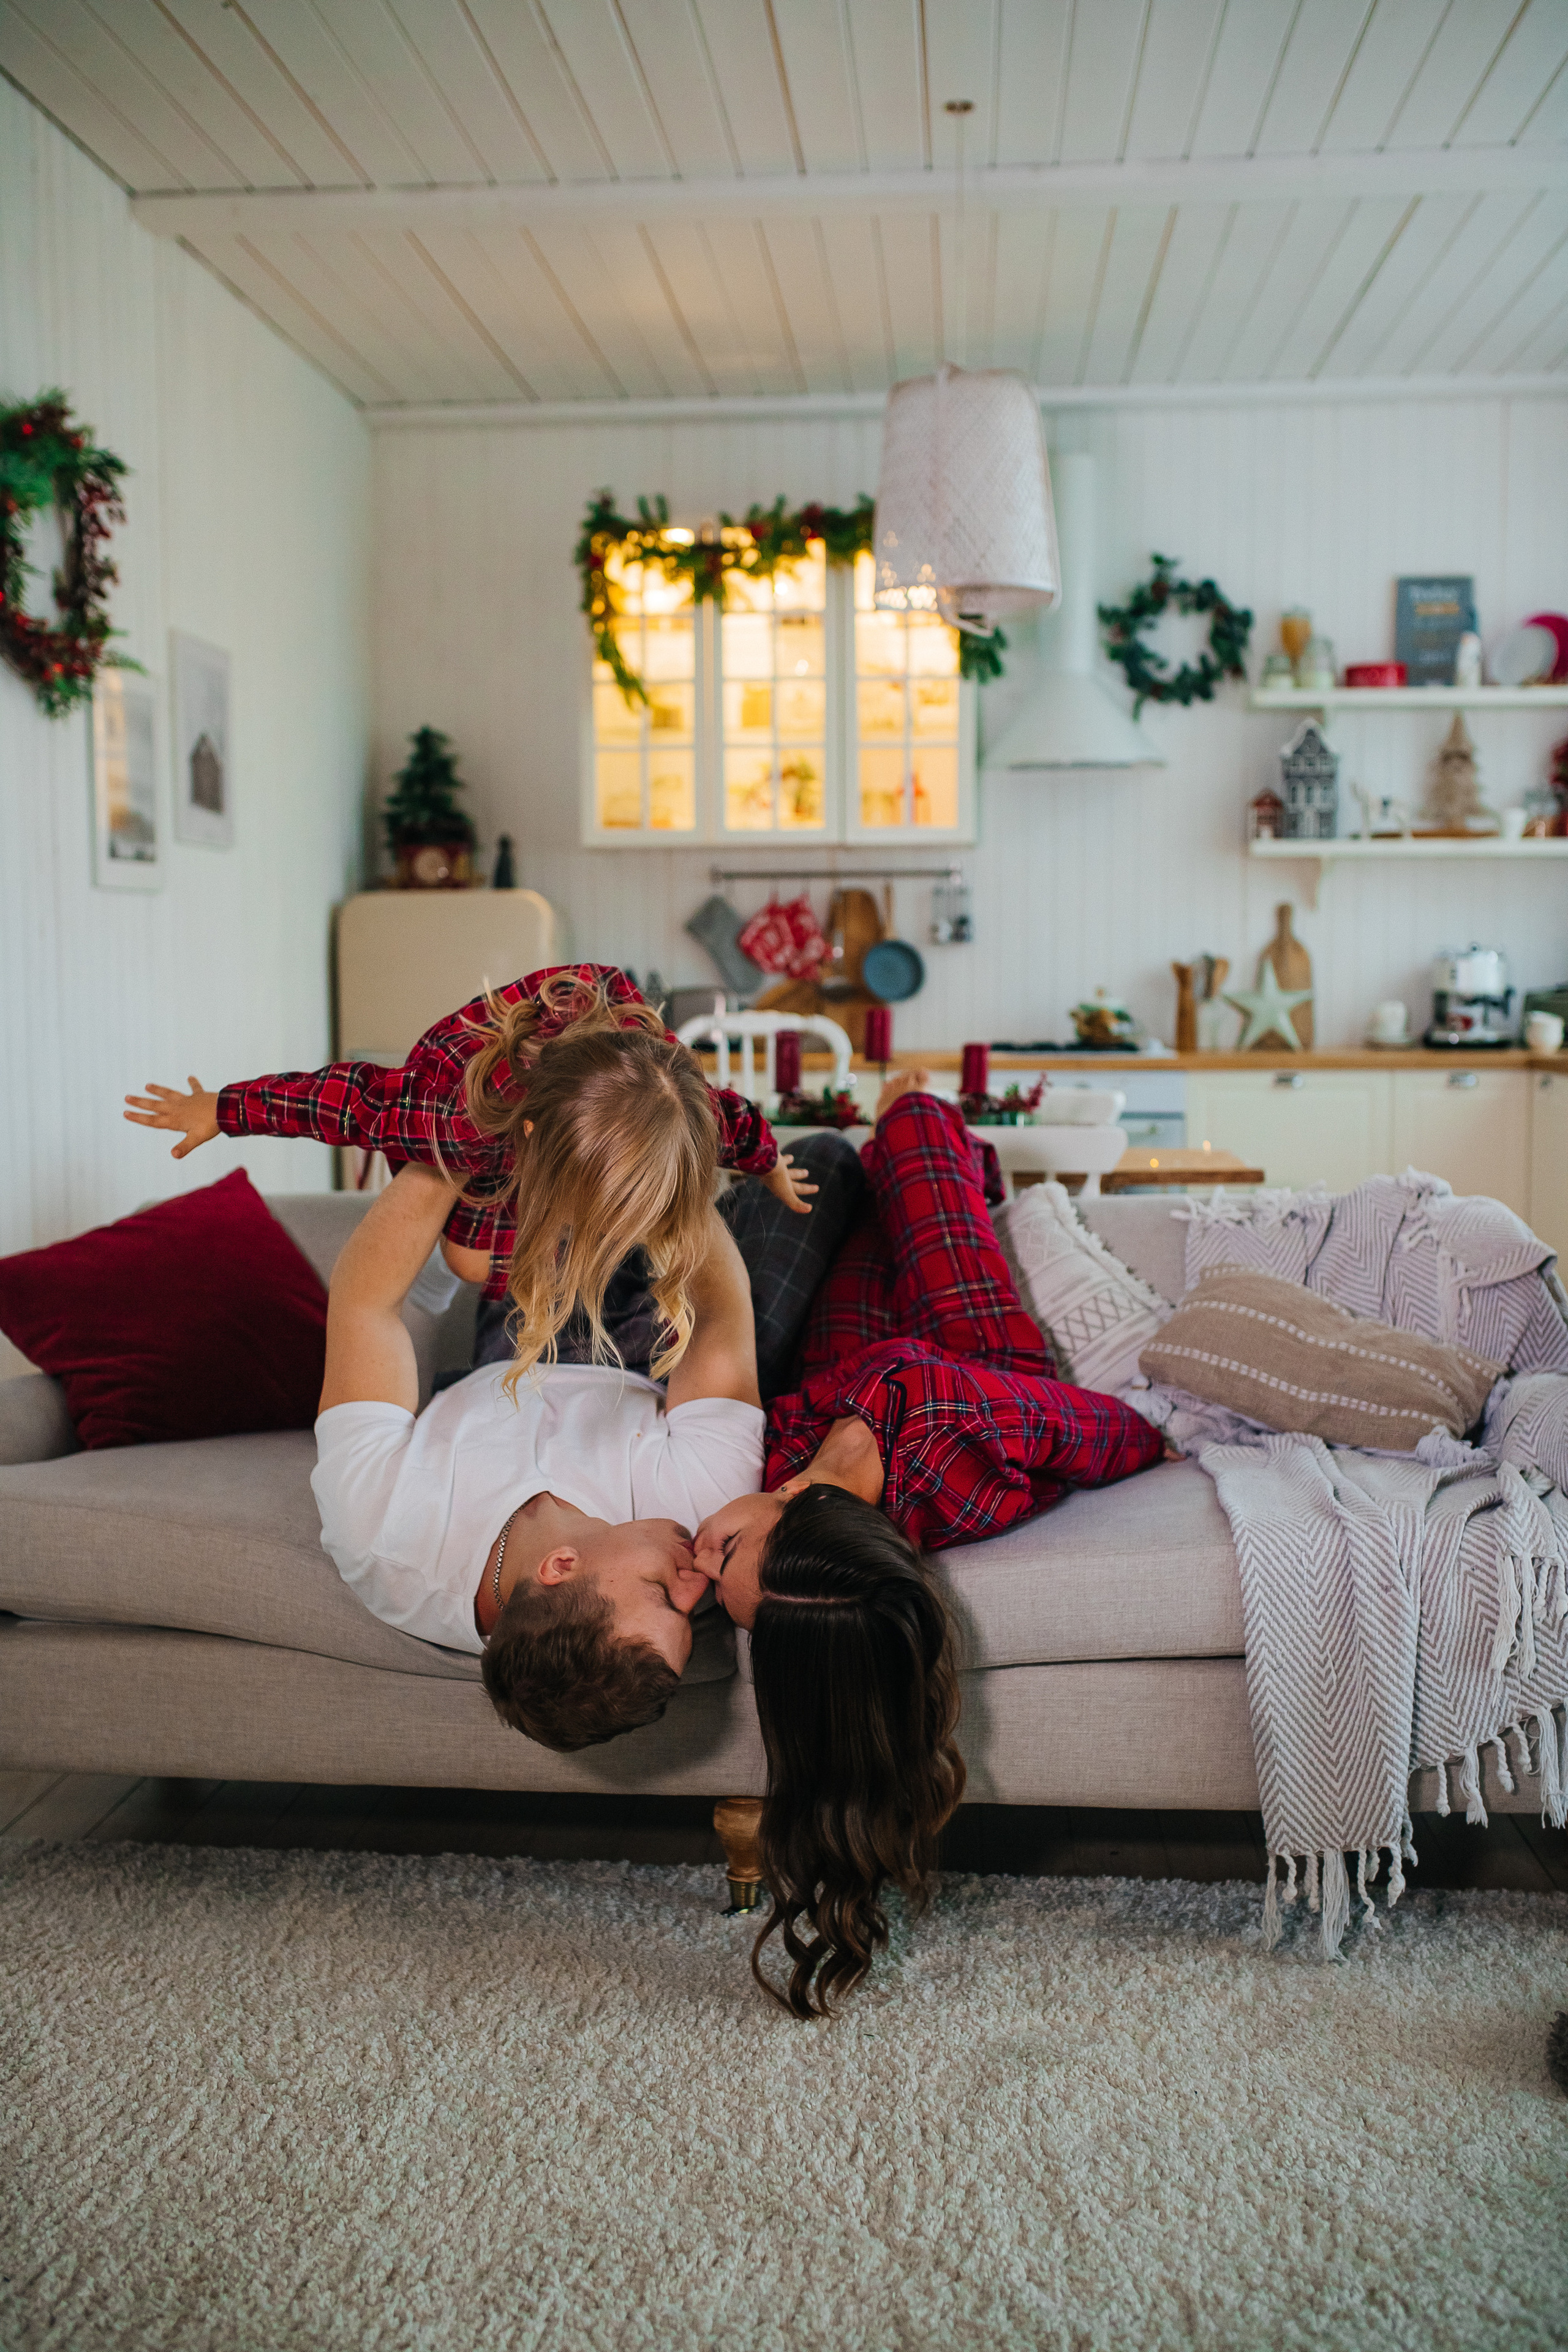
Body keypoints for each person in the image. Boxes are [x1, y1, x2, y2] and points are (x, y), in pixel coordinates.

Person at [690, 1074, 1166, 2019]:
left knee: (846, 1180)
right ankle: (959, 1155)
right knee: (910, 1119)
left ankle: (940, 1163)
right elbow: (1107, 1429)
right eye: (722, 1564)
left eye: (718, 1573)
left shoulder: (777, 1458)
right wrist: (1167, 1438)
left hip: (844, 1372)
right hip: (973, 1358)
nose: (698, 1558)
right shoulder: (959, 1435)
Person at [123, 965, 816, 1384]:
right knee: (466, 1258)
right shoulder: (450, 1120)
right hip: (482, 1098)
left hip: (591, 1075)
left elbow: (735, 1124)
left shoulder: (683, 1109)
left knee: (558, 1244)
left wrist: (773, 1168)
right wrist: (222, 1107)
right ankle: (491, 1238)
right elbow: (339, 1101)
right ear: (533, 1148)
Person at [309, 1155, 765, 1750]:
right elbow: (720, 1317)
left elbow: (365, 1305)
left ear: (560, 1567)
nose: (696, 1584)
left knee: (563, 1158)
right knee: (820, 1166)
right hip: (661, 1360)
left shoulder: (381, 1533)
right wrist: (677, 1170)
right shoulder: (704, 1518)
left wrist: (450, 1144)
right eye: (686, 1613)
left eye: (662, 1593)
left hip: (515, 1351)